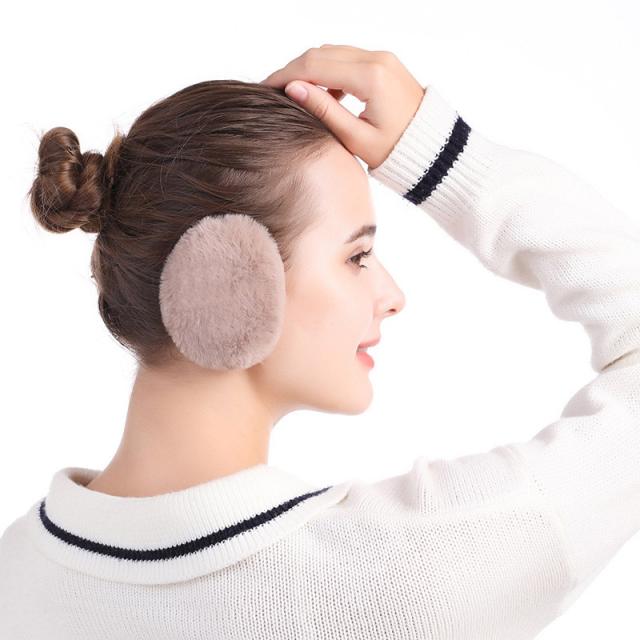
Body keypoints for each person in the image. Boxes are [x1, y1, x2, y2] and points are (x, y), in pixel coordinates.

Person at [1, 44, 638, 639]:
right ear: (225, 277)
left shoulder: (15, 571)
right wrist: (443, 157)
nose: (393, 295)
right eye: (357, 257)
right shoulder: (411, 574)